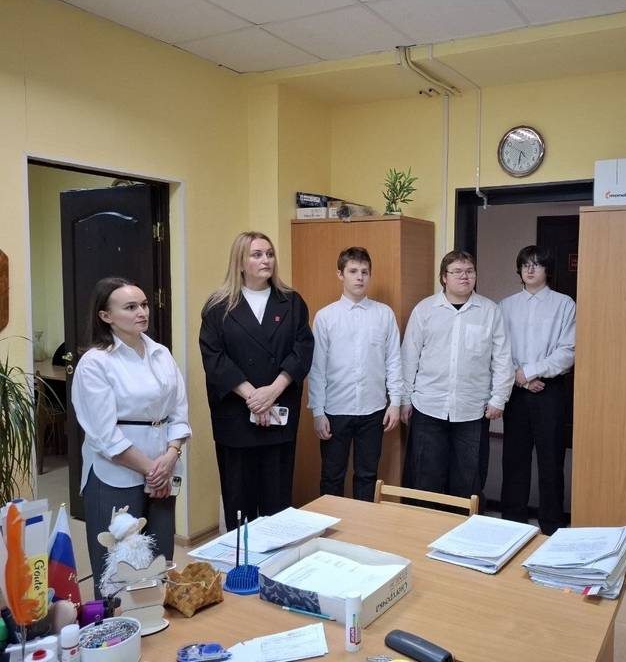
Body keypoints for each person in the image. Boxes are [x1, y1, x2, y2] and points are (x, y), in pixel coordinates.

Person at [72, 277, 191, 599]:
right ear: (105, 316)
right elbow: (104, 435)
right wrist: (153, 470)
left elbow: (179, 412)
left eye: (144, 305)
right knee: (117, 562)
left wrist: (171, 455)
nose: (142, 312)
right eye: (130, 307)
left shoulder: (160, 353)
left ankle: (157, 615)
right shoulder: (96, 362)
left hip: (164, 466)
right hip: (116, 473)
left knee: (159, 554)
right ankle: (116, 621)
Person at [199, 231, 313, 530]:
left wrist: (272, 392)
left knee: (277, 505)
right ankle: (242, 560)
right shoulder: (218, 306)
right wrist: (254, 398)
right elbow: (215, 359)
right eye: (257, 255)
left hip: (278, 413)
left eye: (270, 254)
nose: (266, 260)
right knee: (239, 504)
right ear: (240, 262)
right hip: (237, 417)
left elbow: (302, 350)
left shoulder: (292, 302)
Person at [400, 250, 514, 500]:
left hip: (472, 409)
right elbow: (409, 357)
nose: (465, 276)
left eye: (470, 271)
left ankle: (463, 525)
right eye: (457, 272)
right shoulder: (425, 309)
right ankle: (427, 523)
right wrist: (405, 399)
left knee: (468, 481)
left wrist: (499, 398)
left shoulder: (489, 311)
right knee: (426, 479)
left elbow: (503, 358)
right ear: (444, 277)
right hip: (428, 406)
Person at [308, 247, 402, 501]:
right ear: (340, 274)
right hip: (335, 410)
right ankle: (331, 525)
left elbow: (394, 360)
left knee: (367, 475)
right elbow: (317, 368)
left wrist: (395, 402)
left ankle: (362, 524)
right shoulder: (326, 317)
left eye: (364, 272)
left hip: (373, 410)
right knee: (332, 476)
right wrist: (317, 412)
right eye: (353, 271)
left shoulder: (384, 314)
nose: (359, 277)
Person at [498, 245, 576, 535]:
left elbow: (567, 352)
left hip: (549, 390)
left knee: (551, 460)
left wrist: (530, 372)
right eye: (525, 265)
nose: (530, 270)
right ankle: (512, 522)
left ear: (547, 270)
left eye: (537, 265)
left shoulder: (564, 304)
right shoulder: (506, 305)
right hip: (516, 391)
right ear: (519, 270)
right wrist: (520, 379)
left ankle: (552, 525)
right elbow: (499, 350)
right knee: (514, 459)